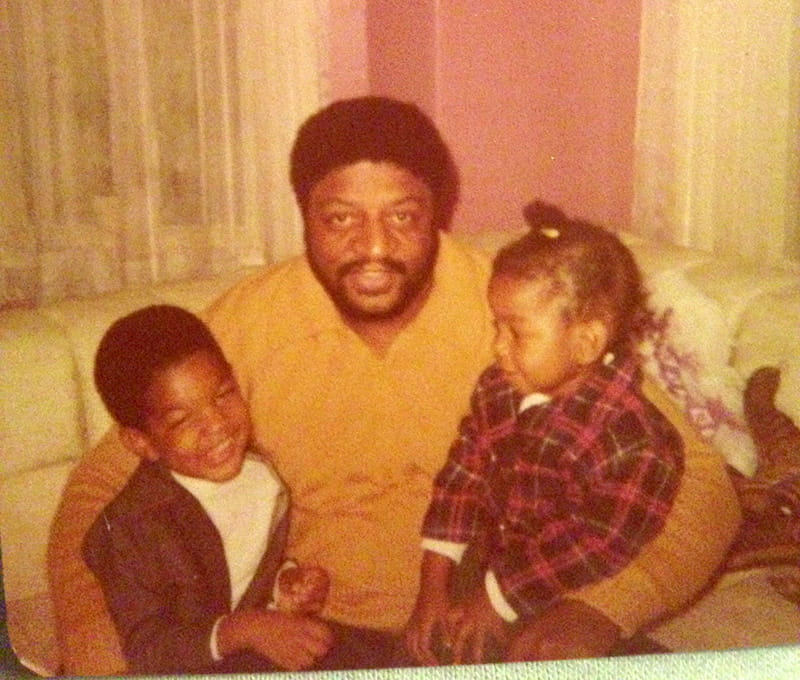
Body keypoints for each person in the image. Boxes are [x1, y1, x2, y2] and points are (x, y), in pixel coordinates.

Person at [47, 96, 741, 675]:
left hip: (495, 624)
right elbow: (98, 493)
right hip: (313, 641)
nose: (374, 249)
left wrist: (600, 610)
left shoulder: (516, 312)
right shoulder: (244, 327)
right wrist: (101, 657)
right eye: (341, 218)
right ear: (303, 216)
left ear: (437, 210)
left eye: (403, 217)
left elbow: (701, 479)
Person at [405, 204, 685, 665]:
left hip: (569, 596)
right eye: (496, 327)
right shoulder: (498, 388)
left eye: (516, 333)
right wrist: (433, 584)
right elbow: (461, 476)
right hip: (488, 572)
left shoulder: (635, 440)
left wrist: (498, 600)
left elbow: (595, 545)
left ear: (586, 343)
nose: (497, 348)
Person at [82, 305, 333, 674]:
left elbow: (246, 567)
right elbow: (148, 650)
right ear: (141, 442)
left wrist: (285, 585)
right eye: (183, 419)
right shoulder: (127, 532)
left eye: (223, 395)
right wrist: (243, 630)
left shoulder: (261, 473)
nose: (216, 424)